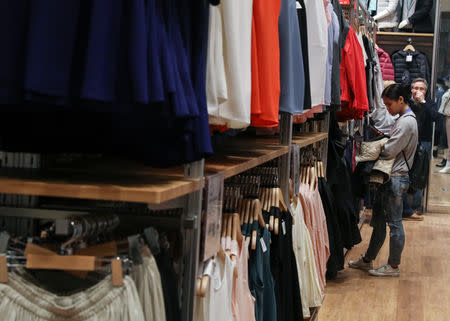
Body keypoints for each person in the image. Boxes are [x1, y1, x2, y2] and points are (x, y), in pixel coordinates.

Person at [349, 84, 418, 277]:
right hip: (390, 177)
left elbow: (389, 151)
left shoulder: (406, 122)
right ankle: (368, 260)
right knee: (379, 221)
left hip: (395, 177)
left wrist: (379, 145)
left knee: (395, 223)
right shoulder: (404, 120)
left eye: (389, 104)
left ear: (401, 100)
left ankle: (393, 266)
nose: (387, 108)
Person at [402, 78, 441, 221]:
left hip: (424, 142)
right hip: (407, 142)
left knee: (420, 173)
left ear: (426, 91)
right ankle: (404, 207)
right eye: (416, 88)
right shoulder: (405, 102)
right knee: (404, 172)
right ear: (411, 89)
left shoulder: (430, 103)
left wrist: (423, 102)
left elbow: (435, 117)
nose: (418, 91)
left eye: (422, 89)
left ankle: (416, 207)